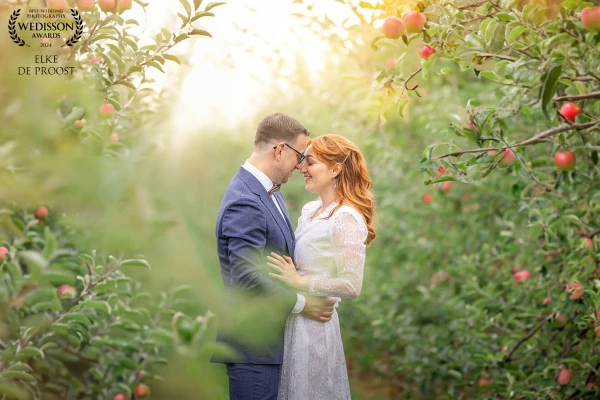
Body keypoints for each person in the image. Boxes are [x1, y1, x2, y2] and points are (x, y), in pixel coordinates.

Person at [210, 113, 336, 400]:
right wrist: (303, 304)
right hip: (254, 349)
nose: (301, 165)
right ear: (280, 150)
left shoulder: (271, 193)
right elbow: (247, 276)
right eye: (300, 156)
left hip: (275, 346)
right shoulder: (245, 199)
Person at [266, 134, 376, 400]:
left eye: (310, 163)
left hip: (317, 327)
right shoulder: (310, 211)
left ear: (336, 169)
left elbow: (351, 284)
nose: (302, 168)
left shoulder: (345, 217)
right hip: (295, 319)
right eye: (303, 162)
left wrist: (299, 282)